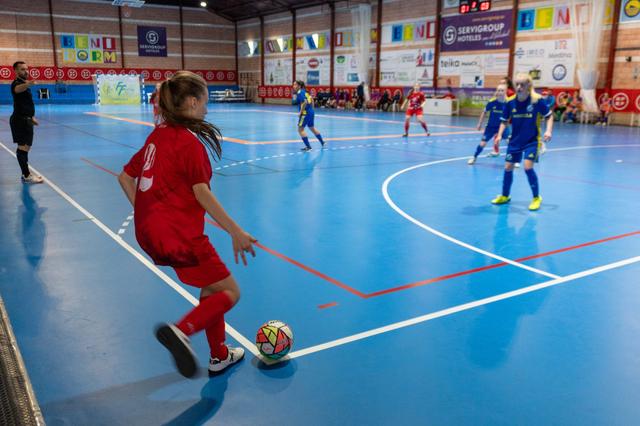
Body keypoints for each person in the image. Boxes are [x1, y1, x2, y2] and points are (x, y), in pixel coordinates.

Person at [118, 71, 256, 378]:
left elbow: (124, 177)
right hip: (179, 236)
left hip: (147, 233)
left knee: (211, 287)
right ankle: (181, 331)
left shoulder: (157, 136)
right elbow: (202, 193)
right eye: (205, 101)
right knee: (230, 292)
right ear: (192, 102)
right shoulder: (189, 144)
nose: (207, 108)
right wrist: (236, 231)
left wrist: (147, 215)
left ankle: (219, 356)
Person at [491, 73, 553, 211]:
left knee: (527, 167)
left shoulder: (537, 101)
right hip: (515, 141)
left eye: (522, 85)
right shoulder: (510, 102)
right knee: (508, 167)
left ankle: (536, 197)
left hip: (532, 140)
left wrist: (548, 131)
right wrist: (499, 135)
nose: (519, 87)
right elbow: (504, 121)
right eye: (517, 84)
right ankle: (505, 195)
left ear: (528, 86)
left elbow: (549, 116)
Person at [10, 61, 43, 184]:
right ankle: (26, 175)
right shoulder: (17, 83)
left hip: (27, 119)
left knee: (26, 147)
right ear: (16, 71)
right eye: (22, 69)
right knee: (23, 147)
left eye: (26, 69)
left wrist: (32, 117)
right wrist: (28, 84)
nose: (26, 71)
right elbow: (17, 90)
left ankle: (26, 174)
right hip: (19, 120)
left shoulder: (24, 83)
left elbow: (27, 103)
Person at [468, 84, 511, 165]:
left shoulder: (508, 102)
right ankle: (474, 157)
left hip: (503, 126)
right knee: (482, 144)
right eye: (498, 90)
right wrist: (479, 124)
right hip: (491, 127)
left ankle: (513, 161)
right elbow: (484, 112)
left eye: (502, 90)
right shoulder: (492, 102)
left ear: (505, 91)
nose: (500, 92)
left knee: (510, 142)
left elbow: (511, 115)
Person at [292, 80, 325, 151]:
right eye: (293, 84)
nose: (293, 86)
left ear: (299, 86)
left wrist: (300, 112)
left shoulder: (300, 92)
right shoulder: (306, 91)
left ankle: (308, 147)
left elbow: (305, 102)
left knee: (300, 129)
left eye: (295, 84)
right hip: (311, 112)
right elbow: (312, 100)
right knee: (312, 127)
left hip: (305, 113)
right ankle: (322, 142)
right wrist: (312, 109)